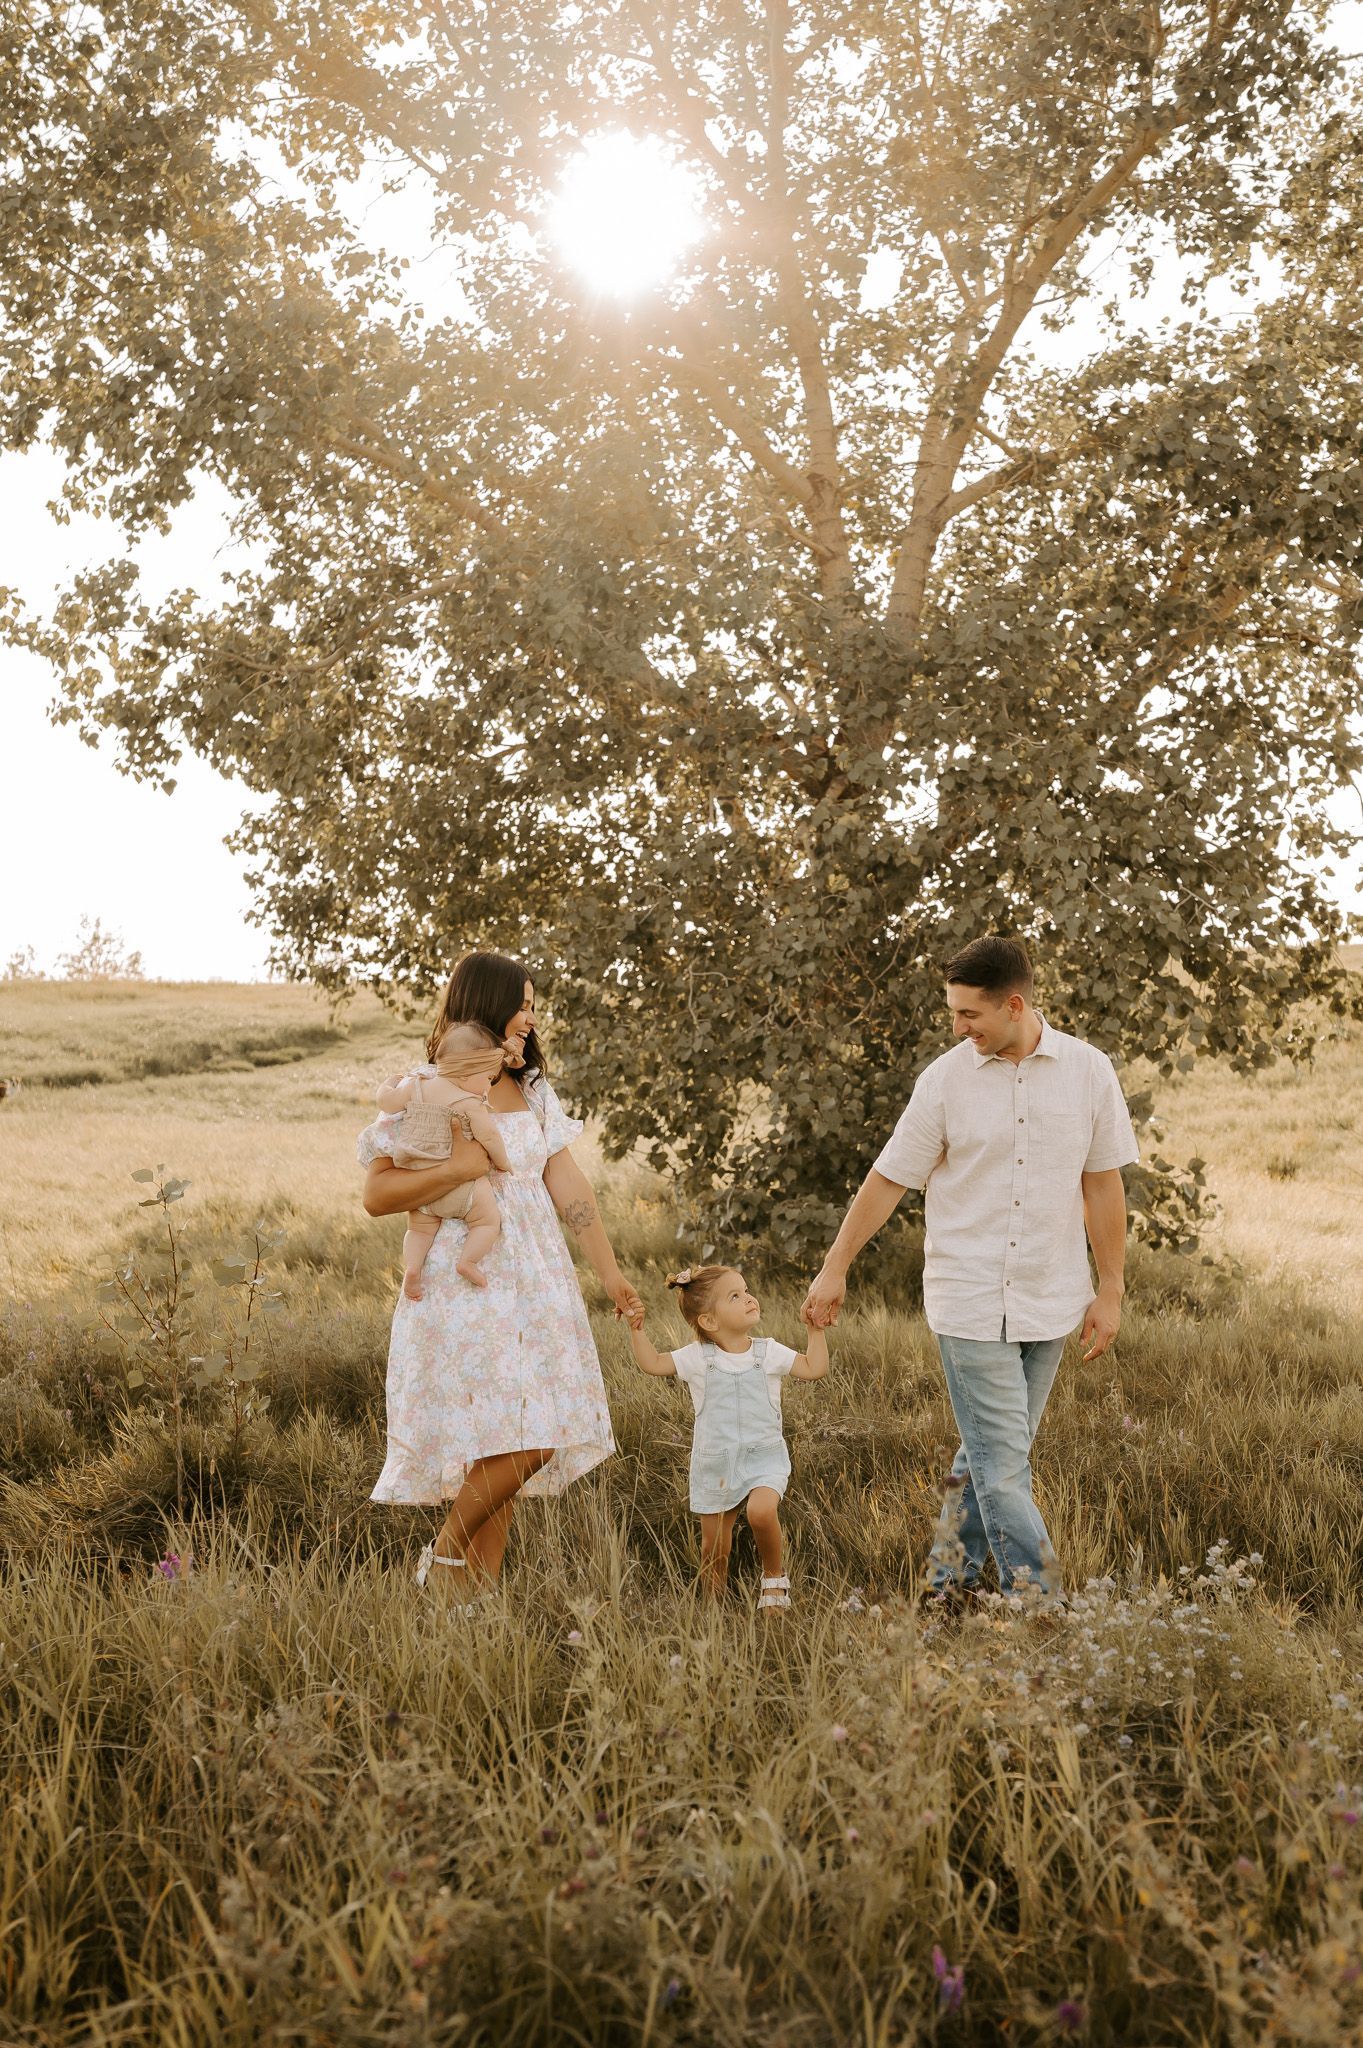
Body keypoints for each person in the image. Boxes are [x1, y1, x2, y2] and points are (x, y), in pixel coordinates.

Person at [802, 935, 1138, 1605]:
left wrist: (1109, 1289)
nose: (957, 1028)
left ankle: (945, 1588)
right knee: (1003, 1466)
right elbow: (887, 1179)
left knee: (988, 1457)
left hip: (1051, 1294)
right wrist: (833, 1267)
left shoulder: (1087, 1071)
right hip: (969, 1295)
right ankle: (1042, 1606)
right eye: (953, 1013)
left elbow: (1102, 1185)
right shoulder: (945, 1080)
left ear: (1013, 1005)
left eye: (968, 1015)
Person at [359, 950, 641, 1601]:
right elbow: (377, 1194)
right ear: (486, 1004)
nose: (531, 1018)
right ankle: (445, 1557)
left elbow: (569, 1186)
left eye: (535, 1007)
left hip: (539, 1284)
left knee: (504, 1440)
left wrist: (612, 1275)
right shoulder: (434, 1085)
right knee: (527, 1438)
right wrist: (458, 1171)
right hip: (469, 1282)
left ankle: (471, 1606)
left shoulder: (535, 1089)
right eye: (523, 1003)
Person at [627, 1265, 829, 1610]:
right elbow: (652, 1364)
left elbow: (814, 1368)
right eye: (735, 1296)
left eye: (746, 1289)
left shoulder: (768, 1351)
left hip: (763, 1457)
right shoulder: (696, 1358)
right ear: (709, 1322)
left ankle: (774, 1581)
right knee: (714, 1549)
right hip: (716, 1464)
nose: (749, 1297)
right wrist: (637, 1330)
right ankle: (714, 1605)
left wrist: (815, 1330)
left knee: (762, 1512)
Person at [374, 1021, 512, 1298]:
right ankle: (467, 1261)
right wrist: (503, 1163)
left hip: (421, 1183)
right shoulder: (469, 1103)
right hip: (462, 1189)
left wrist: (389, 1082)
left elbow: (386, 1102)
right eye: (488, 1078)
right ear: (467, 1073)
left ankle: (412, 1269)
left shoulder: (416, 1086)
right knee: (487, 1221)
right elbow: (490, 1137)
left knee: (418, 1230)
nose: (488, 1087)